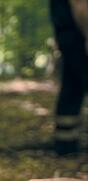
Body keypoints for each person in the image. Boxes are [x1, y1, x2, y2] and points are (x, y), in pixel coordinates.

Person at [50, 0, 87, 155]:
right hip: (79, 37)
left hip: (69, 36)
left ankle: (65, 144)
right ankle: (65, 145)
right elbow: (79, 3)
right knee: (73, 87)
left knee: (72, 89)